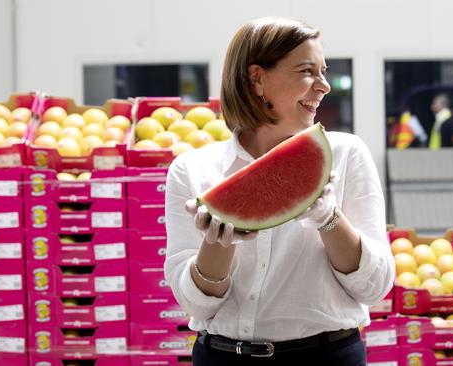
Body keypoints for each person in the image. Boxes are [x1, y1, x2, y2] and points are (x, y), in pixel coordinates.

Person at [164, 17, 395, 365]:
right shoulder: (193, 169)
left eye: (324, 71)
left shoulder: (346, 155)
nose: (324, 86)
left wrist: (328, 218)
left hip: (325, 357)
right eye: (307, 71)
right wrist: (217, 242)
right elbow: (195, 305)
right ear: (257, 78)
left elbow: (374, 288)